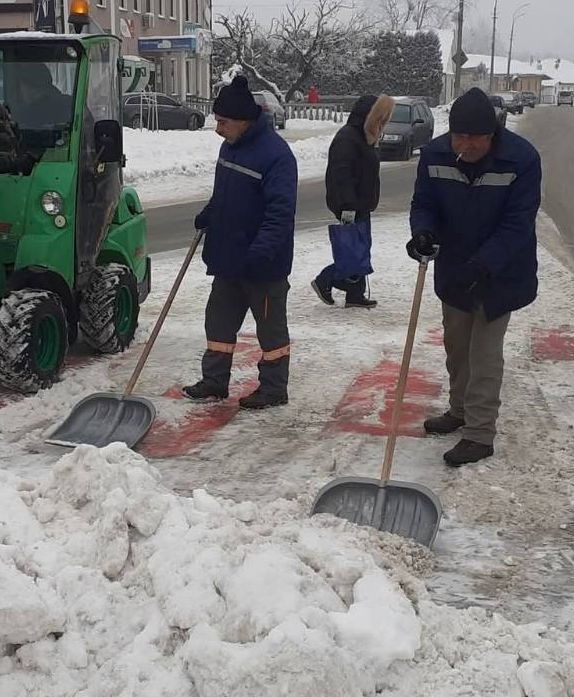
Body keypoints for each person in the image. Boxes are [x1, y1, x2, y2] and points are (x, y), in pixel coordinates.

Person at [407, 86, 542, 467]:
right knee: (457, 345)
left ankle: (480, 433)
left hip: (501, 272)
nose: (464, 145)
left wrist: (482, 265)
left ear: (492, 134)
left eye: (474, 138)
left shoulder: (521, 159)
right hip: (454, 268)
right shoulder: (435, 153)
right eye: (458, 136)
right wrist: (423, 232)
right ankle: (459, 409)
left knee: (484, 353)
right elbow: (425, 203)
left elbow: (518, 224)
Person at [183, 75, 298, 409]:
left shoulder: (276, 156)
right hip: (228, 259)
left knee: (270, 332)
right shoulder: (230, 146)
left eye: (223, 122)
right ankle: (214, 382)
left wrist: (260, 253)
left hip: (263, 266)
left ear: (244, 121)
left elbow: (280, 213)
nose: (218, 129)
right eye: (217, 121)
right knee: (218, 322)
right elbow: (225, 194)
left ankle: (274, 388)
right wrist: (209, 212)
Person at [311, 93, 393, 309]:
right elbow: (341, 173)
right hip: (351, 205)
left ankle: (355, 294)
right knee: (354, 251)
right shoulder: (348, 138)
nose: (381, 124)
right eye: (379, 118)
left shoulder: (364, 137)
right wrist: (347, 205)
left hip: (361, 204)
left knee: (361, 248)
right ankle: (325, 280)